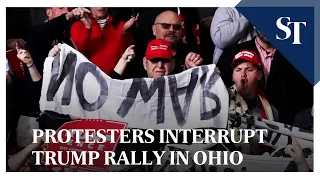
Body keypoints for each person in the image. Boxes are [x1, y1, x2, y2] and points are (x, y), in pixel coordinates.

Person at [217, 29, 313, 125]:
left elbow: (306, 96)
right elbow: (217, 89)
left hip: (288, 127)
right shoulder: (233, 52)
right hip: (239, 123)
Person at [70, 7, 137, 75]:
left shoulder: (122, 26)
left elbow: (126, 58)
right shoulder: (78, 26)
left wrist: (124, 33)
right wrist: (87, 28)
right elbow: (77, 56)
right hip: (88, 78)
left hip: (116, 78)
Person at [229, 50, 278, 121]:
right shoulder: (222, 102)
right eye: (238, 70)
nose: (243, 74)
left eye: (249, 70)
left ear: (259, 75)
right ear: (232, 77)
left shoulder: (272, 111)